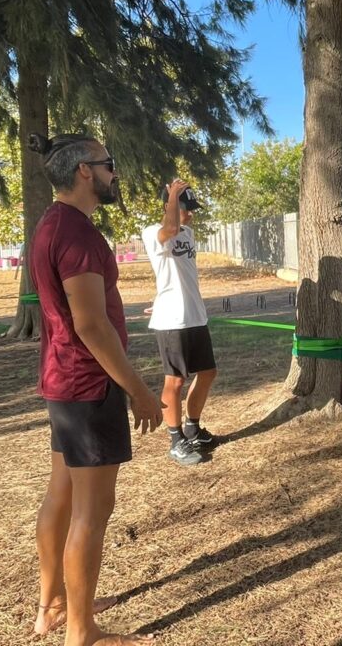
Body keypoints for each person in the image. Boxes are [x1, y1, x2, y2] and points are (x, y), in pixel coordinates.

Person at [28, 133, 162, 645]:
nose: (113, 173)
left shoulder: (50, 224)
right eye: (108, 164)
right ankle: (81, 633)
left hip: (63, 383)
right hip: (89, 386)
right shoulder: (79, 235)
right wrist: (139, 390)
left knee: (61, 495)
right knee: (92, 511)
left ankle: (54, 607)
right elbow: (92, 325)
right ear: (85, 171)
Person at [141, 179, 219, 466]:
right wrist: (174, 193)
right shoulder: (153, 232)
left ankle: (192, 427)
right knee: (175, 380)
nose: (191, 214)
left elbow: (174, 274)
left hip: (195, 315)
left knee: (208, 372)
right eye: (186, 208)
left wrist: (158, 297)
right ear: (169, 206)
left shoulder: (188, 233)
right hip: (172, 319)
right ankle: (176, 440)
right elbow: (168, 230)